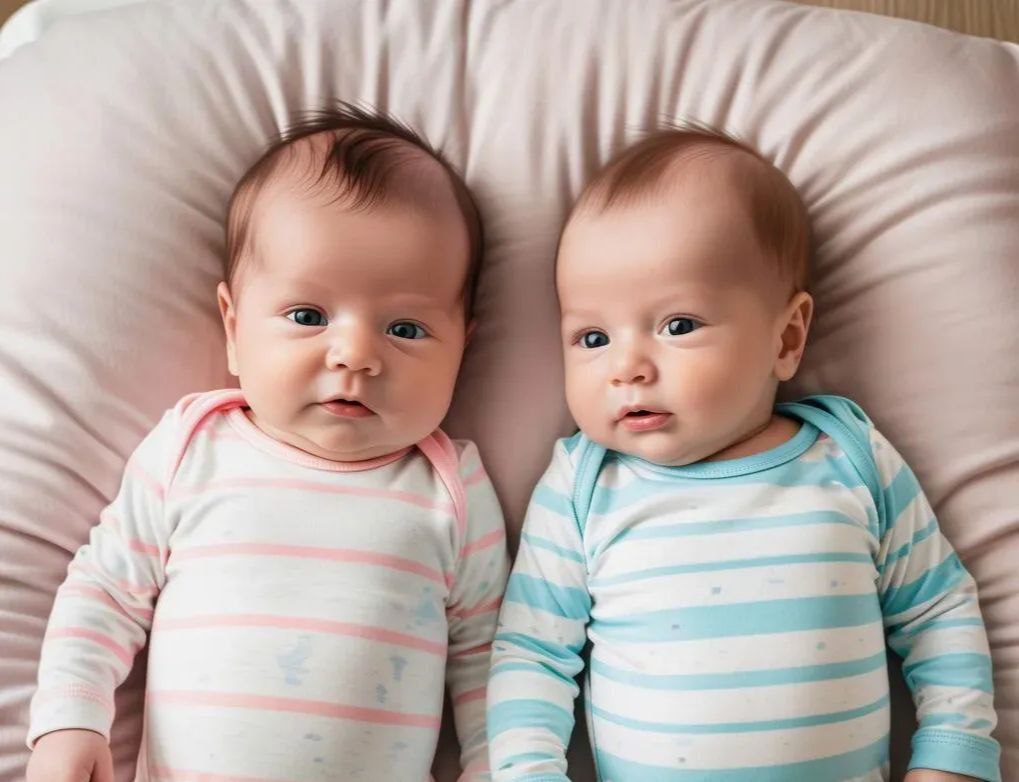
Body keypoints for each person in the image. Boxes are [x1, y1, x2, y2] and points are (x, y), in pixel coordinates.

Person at [486, 126, 999, 782]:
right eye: (592, 337)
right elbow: (533, 652)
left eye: (677, 325)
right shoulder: (584, 483)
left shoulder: (849, 456)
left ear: (785, 339)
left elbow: (936, 608)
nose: (626, 367)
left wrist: (953, 751)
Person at [28, 104, 509, 782]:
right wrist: (70, 719)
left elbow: (488, 658)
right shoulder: (192, 447)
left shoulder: (450, 488)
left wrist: (495, 765)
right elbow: (106, 590)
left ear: (463, 345)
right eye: (308, 316)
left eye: (405, 329)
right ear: (233, 327)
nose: (354, 353)